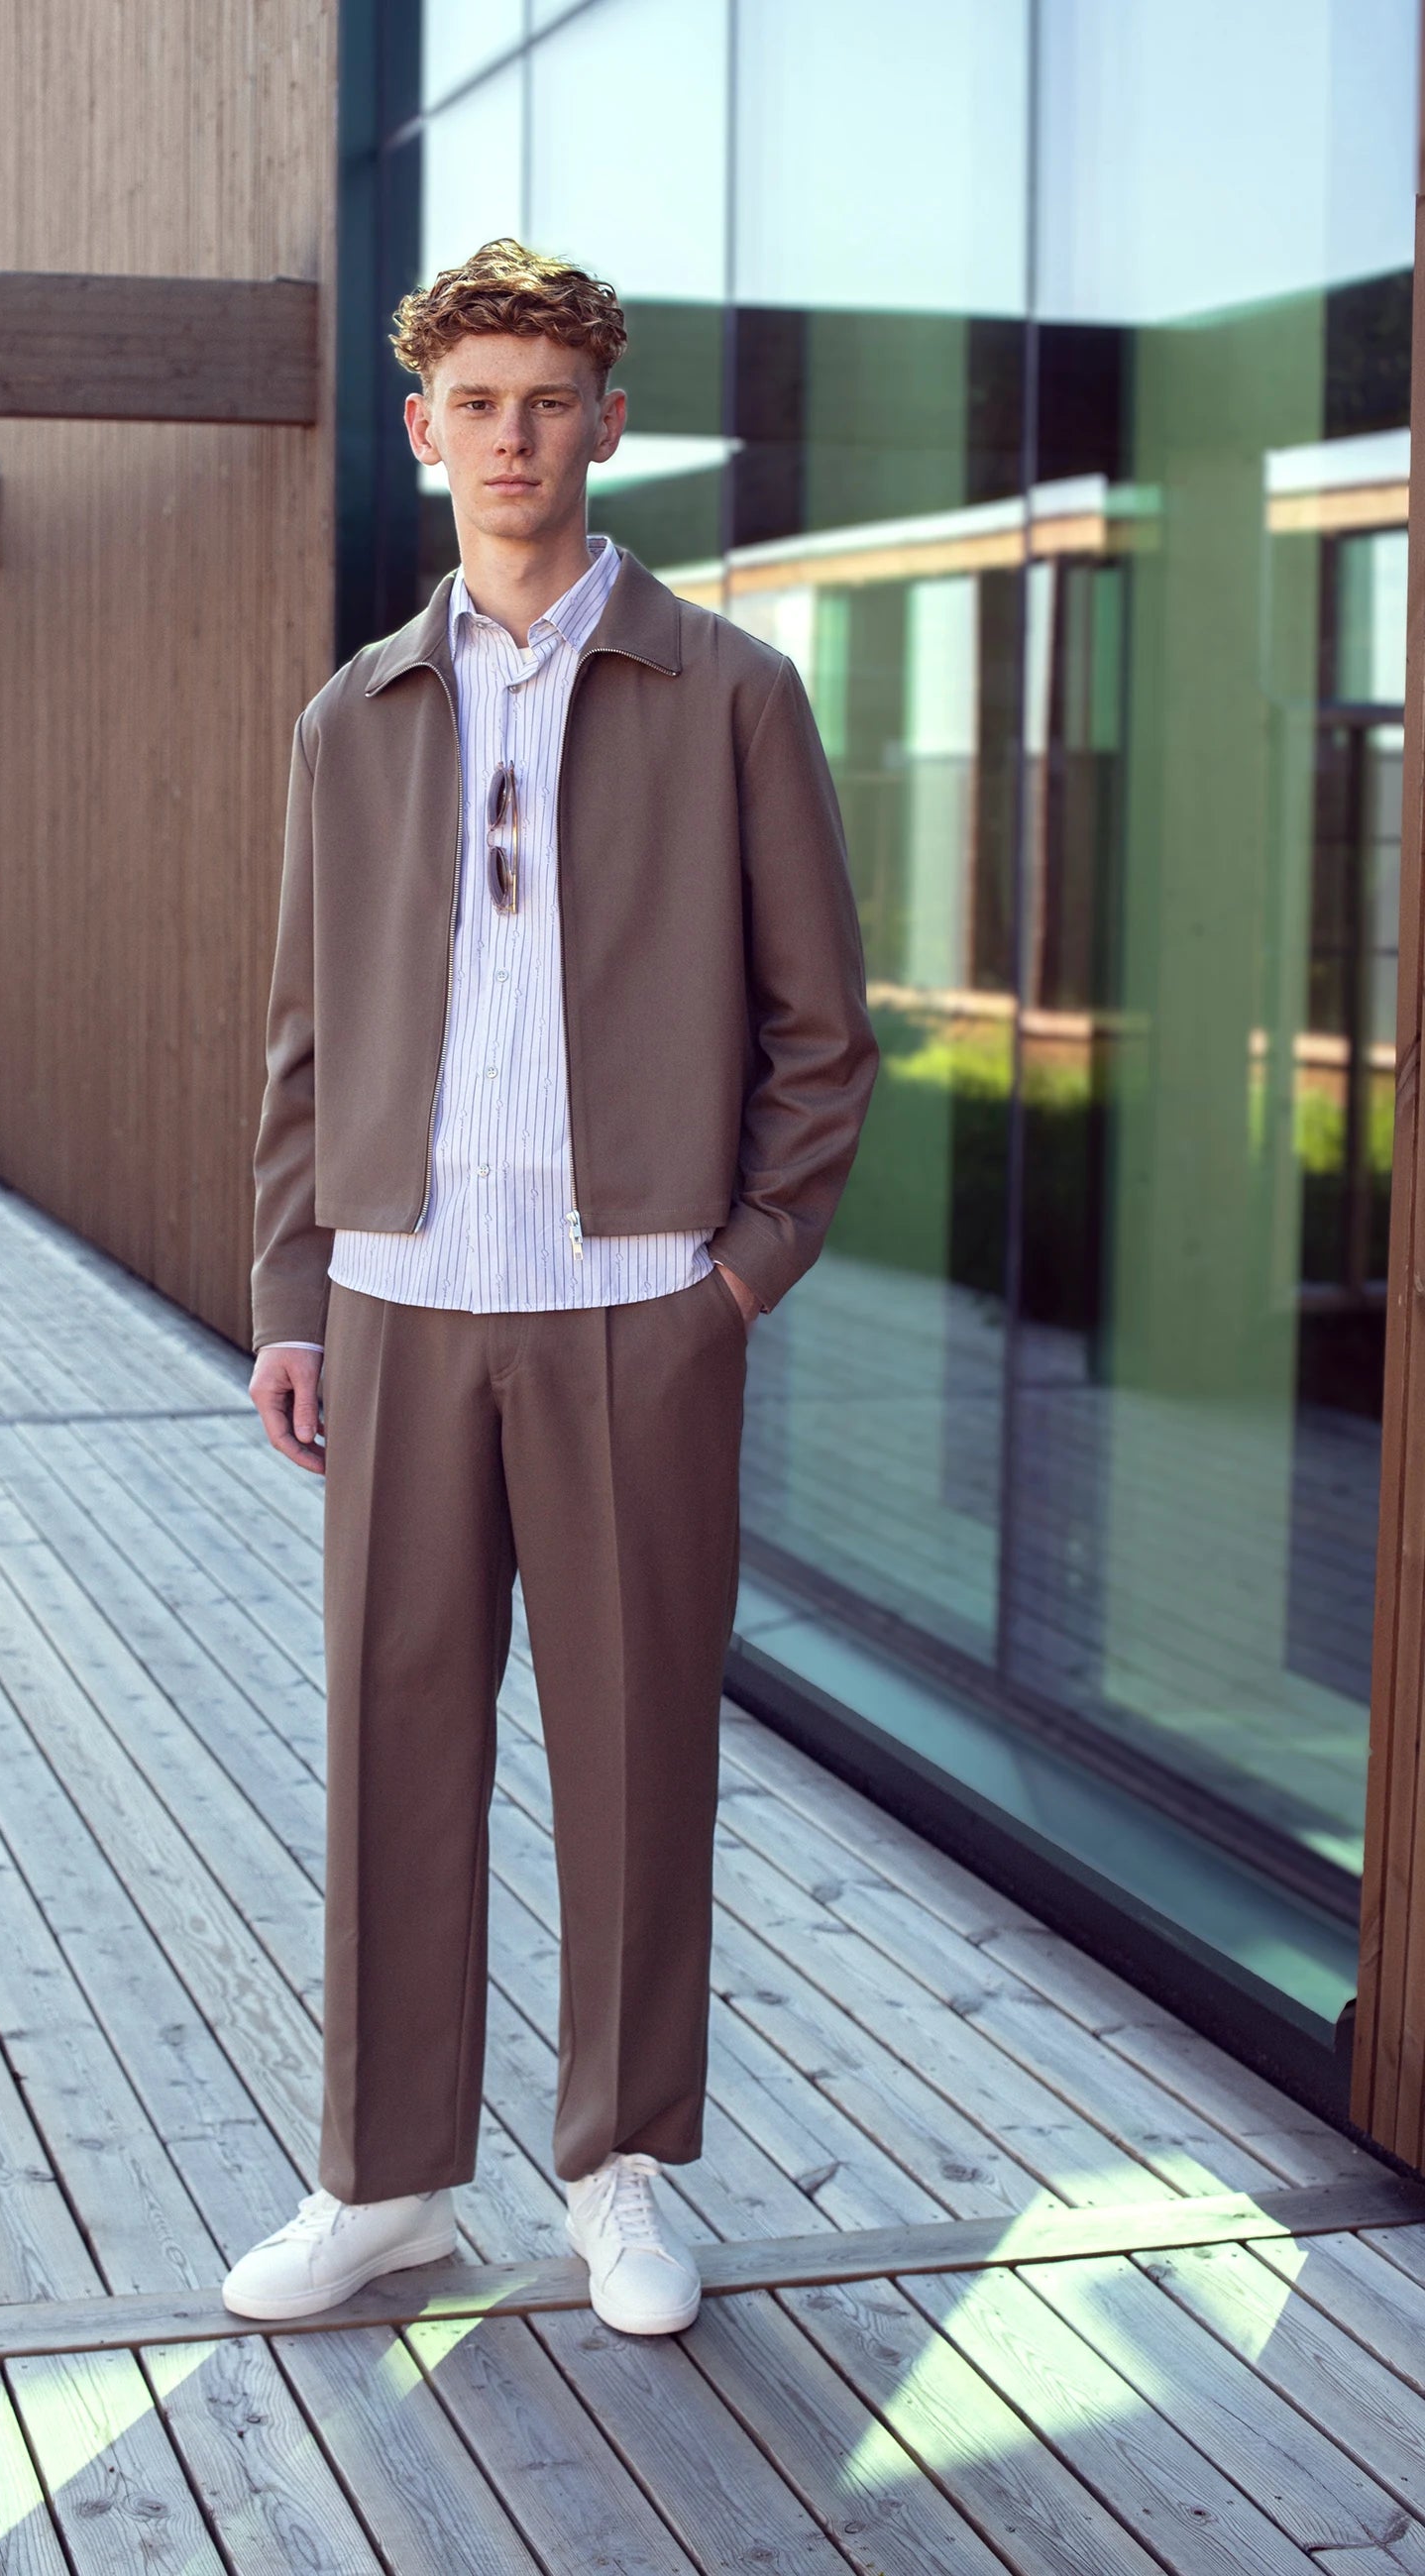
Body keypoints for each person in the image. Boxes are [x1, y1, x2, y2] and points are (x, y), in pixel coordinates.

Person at [224, 239, 877, 2337]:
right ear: (423, 436)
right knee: (395, 1737)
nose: (513, 437)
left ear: (611, 422)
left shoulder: (734, 694)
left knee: (633, 1744)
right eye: (474, 404)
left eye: (549, 398)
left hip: (639, 1309)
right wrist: (292, 1289)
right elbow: (304, 1040)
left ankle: (624, 2171)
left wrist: (739, 1277)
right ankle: (389, 2178)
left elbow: (822, 1035)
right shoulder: (354, 716)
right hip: (405, 1301)